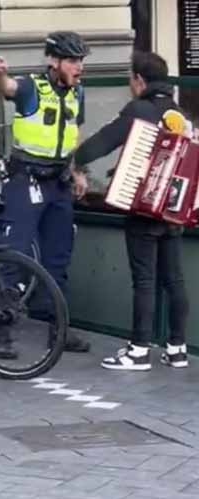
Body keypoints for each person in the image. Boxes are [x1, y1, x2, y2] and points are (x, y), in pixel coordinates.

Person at [70, 51, 189, 370]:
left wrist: (75, 161)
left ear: (139, 80)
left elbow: (101, 142)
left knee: (145, 280)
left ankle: (138, 349)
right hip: (173, 210)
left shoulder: (139, 109)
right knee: (174, 279)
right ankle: (177, 348)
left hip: (143, 210)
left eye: (130, 78)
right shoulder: (179, 114)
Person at [0, 31, 92, 358]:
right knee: (15, 254)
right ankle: (2, 332)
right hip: (26, 179)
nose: (79, 67)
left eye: (80, 61)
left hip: (58, 182)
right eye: (73, 60)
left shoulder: (78, 92)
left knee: (58, 257)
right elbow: (7, 89)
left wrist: (76, 172)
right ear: (53, 61)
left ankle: (58, 330)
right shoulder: (32, 86)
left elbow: (74, 133)